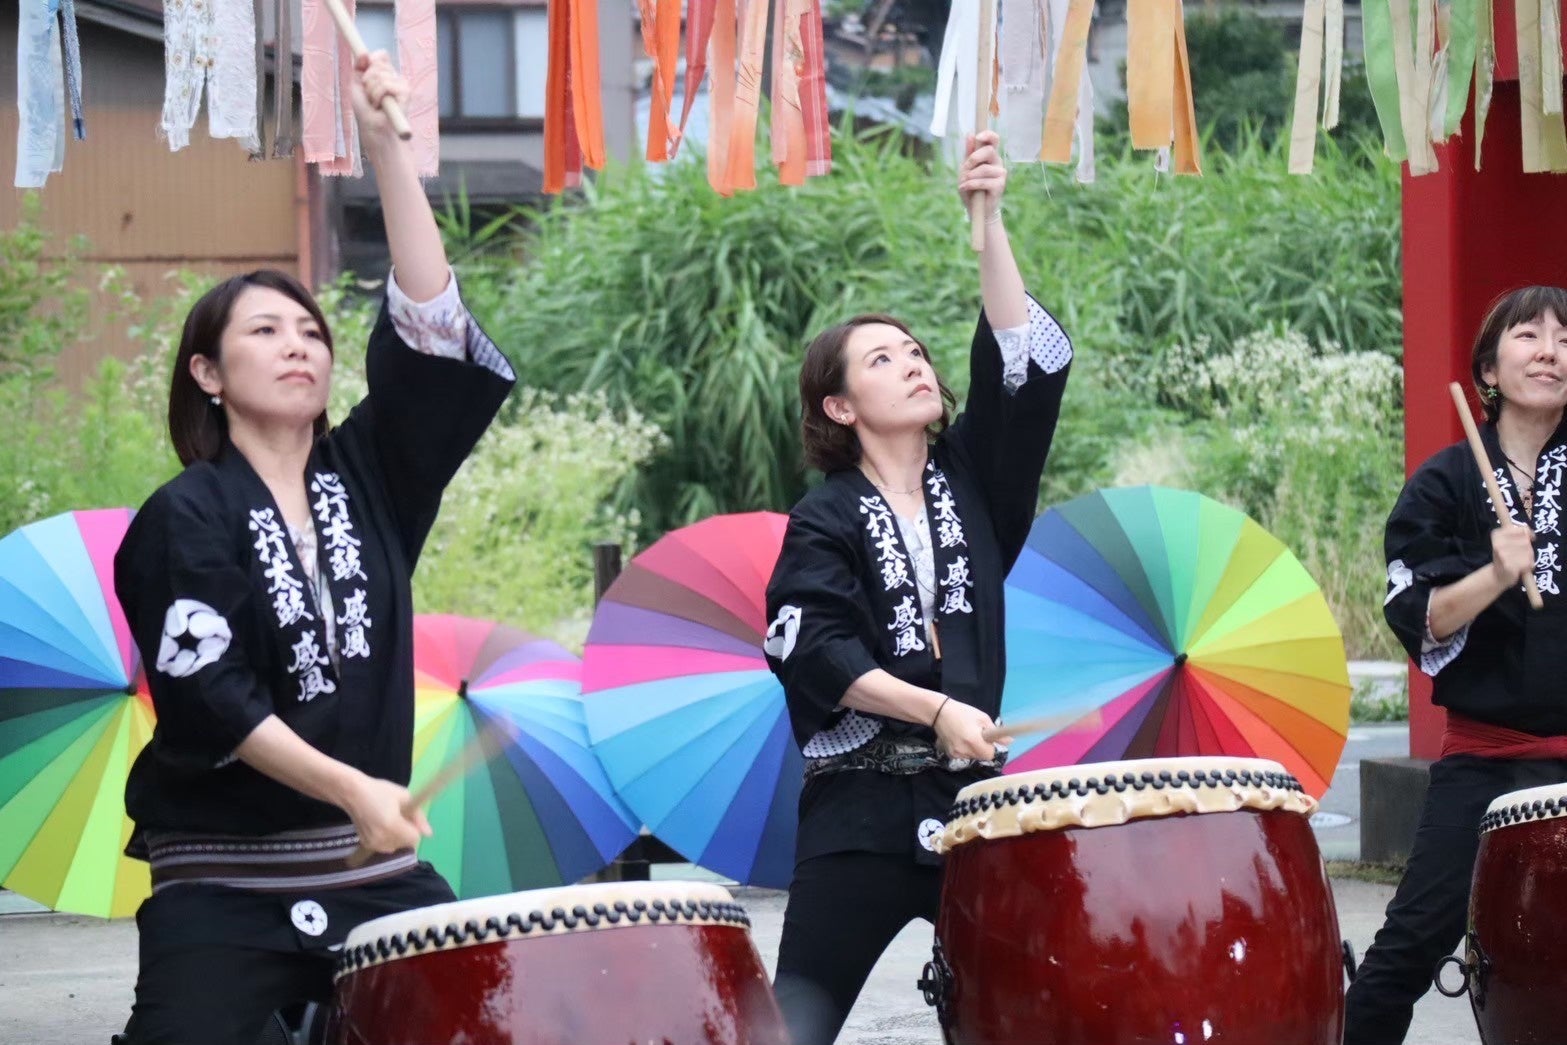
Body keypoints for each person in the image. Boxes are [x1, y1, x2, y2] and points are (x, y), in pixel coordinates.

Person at [114, 52, 515, 1045]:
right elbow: (211, 694)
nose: (298, 343)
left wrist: (387, 151)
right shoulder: (184, 515)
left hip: (374, 866)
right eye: (264, 331)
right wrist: (351, 789)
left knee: (488, 1020)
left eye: (310, 331)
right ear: (207, 373)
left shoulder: (374, 474)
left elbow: (429, 332)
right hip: (223, 875)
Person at [761, 129, 1072, 1045]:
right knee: (793, 1026)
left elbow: (1019, 368)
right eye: (882, 359)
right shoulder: (823, 518)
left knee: (1029, 1021)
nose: (913, 363)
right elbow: (813, 649)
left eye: (915, 351)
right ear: (839, 406)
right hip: (855, 815)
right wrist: (935, 708)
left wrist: (988, 226)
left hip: (970, 803)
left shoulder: (976, 481)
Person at [1344, 286, 1567, 1043]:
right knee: (1409, 945)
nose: (1549, 350)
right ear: (1489, 369)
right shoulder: (1443, 482)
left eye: (1563, 338)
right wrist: (1496, 573)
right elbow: (1421, 614)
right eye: (1528, 335)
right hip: (1486, 762)